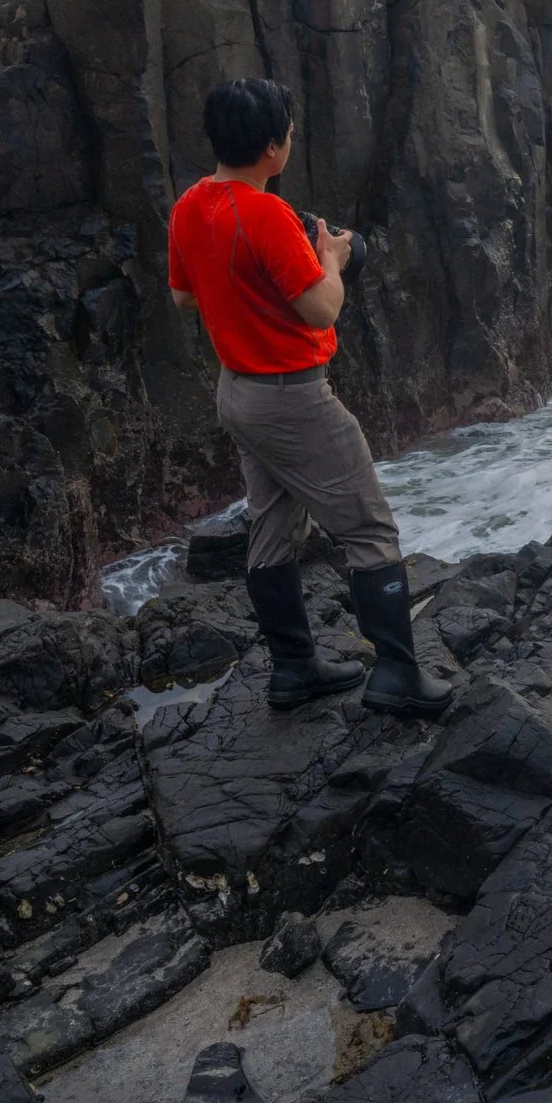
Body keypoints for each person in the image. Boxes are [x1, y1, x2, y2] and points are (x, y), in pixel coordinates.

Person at [165, 78, 451, 717]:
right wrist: (333, 258)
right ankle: (396, 676)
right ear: (274, 147)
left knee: (270, 529)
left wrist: (251, 289)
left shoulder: (190, 205)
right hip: (292, 397)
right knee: (370, 529)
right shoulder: (264, 214)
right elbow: (321, 312)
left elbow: (185, 296)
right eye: (289, 133)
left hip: (236, 392)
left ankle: (294, 670)